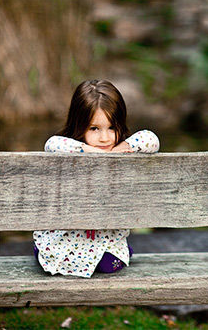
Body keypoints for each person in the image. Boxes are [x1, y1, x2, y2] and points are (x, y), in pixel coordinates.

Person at [34, 79, 159, 278]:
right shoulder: (70, 149)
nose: (104, 138)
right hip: (67, 239)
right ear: (79, 125)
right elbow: (52, 143)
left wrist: (121, 149)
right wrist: (88, 150)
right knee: (110, 263)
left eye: (112, 127)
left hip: (103, 238)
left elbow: (151, 139)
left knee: (108, 264)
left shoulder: (123, 150)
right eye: (94, 128)